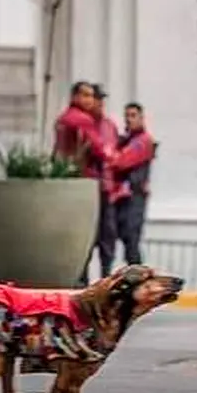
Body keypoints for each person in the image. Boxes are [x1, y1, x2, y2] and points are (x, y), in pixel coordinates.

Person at [53, 81, 120, 286]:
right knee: (96, 232)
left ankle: (85, 276)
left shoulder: (64, 119)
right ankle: (88, 277)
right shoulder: (82, 120)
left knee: (95, 233)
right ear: (75, 97)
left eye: (93, 97)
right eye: (87, 96)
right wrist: (114, 156)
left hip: (78, 182)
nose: (91, 101)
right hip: (90, 183)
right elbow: (100, 149)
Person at [111, 102, 156, 266]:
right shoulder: (128, 140)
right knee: (123, 236)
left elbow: (121, 161)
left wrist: (113, 155)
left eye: (133, 116)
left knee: (131, 238)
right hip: (124, 197)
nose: (129, 120)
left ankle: (137, 276)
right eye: (127, 116)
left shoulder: (143, 141)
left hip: (134, 196)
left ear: (141, 118)